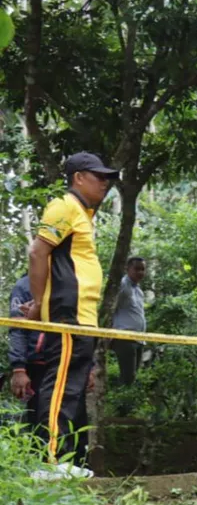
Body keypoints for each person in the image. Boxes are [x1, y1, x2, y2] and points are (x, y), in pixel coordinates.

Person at [24, 151, 119, 476]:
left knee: (73, 388)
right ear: (78, 177)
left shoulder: (83, 213)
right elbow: (38, 250)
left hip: (83, 318)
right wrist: (38, 303)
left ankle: (64, 461)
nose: (105, 183)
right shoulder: (64, 205)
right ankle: (50, 463)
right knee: (60, 384)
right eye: (99, 176)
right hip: (67, 314)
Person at [9, 274, 45, 430]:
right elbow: (17, 328)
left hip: (68, 361)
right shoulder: (24, 286)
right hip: (38, 363)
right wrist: (19, 369)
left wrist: (90, 365)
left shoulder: (69, 282)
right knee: (39, 420)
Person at [112, 256, 147, 385]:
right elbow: (111, 307)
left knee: (132, 377)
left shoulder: (138, 291)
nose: (140, 272)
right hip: (125, 337)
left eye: (143, 269)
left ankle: (125, 401)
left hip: (139, 338)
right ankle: (121, 402)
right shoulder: (122, 285)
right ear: (127, 269)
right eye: (137, 269)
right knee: (128, 376)